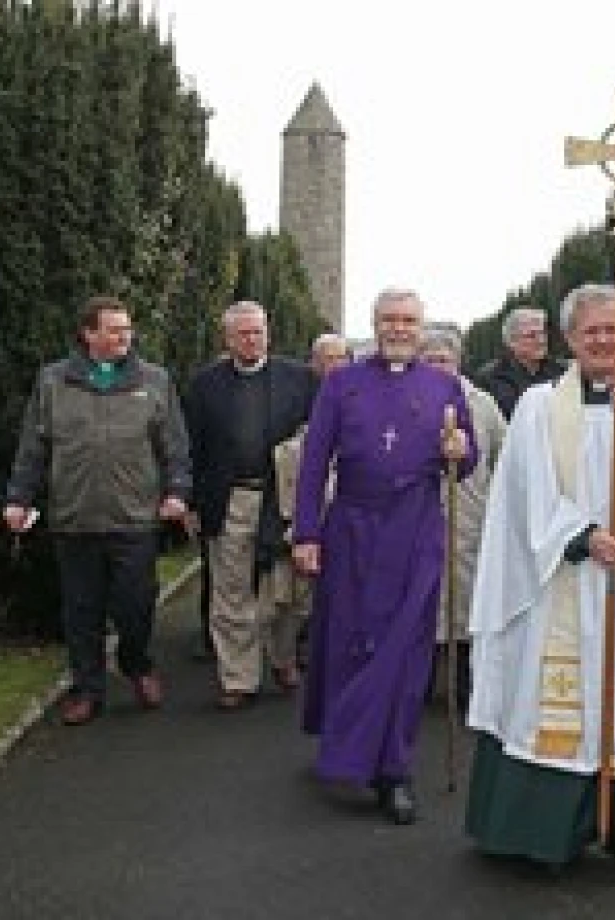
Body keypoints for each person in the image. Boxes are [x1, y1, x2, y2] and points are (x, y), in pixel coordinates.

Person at [465, 283, 615, 887]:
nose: (602, 341)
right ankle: (551, 836)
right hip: (563, 580)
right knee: (559, 709)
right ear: (569, 339)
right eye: (591, 331)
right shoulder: (541, 406)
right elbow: (524, 494)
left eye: (612, 331)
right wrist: (582, 535)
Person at [292, 289, 477, 826]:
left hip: (416, 528)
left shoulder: (444, 386)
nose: (399, 328)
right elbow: (313, 463)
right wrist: (307, 533)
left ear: (422, 328)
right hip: (353, 526)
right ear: (374, 325)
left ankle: (393, 770)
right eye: (389, 319)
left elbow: (466, 461)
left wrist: (460, 451)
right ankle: (347, 737)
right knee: (352, 643)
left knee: (405, 648)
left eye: (409, 320)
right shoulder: (341, 384)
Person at [3, 295, 190, 726]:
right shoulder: (54, 382)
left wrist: (177, 491)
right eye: (114, 330)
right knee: (81, 610)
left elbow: (174, 447)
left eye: (127, 330)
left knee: (136, 603)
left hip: (135, 518)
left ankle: (136, 662)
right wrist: (19, 498)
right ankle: (87, 688)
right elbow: (34, 447)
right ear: (89, 334)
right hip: (75, 516)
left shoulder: (154, 381)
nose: (124, 337)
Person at [183, 301, 318, 710]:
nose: (252, 340)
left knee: (290, 590)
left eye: (258, 331)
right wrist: (190, 501)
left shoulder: (299, 379)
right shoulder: (205, 385)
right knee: (232, 592)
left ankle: (282, 657)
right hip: (232, 499)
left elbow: (318, 437)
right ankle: (238, 678)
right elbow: (191, 447)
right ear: (228, 338)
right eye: (243, 333)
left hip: (285, 499)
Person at [418, 326, 507, 715]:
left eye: (444, 360)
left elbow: (506, 454)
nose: (438, 368)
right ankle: (419, 683)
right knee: (423, 601)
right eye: (430, 360)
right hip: (423, 515)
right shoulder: (411, 399)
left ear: (458, 362)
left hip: (472, 517)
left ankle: (469, 685)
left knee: (469, 602)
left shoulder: (482, 404)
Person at [270, 332, 351, 689]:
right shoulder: (297, 395)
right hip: (299, 498)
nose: (332, 366)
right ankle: (288, 655)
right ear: (313, 363)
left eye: (339, 358)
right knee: (291, 594)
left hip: (348, 502)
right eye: (325, 359)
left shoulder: (359, 392)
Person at [474, 306, 567, 419]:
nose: (541, 340)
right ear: (512, 341)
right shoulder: (490, 378)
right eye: (531, 336)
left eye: (542, 333)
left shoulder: (562, 372)